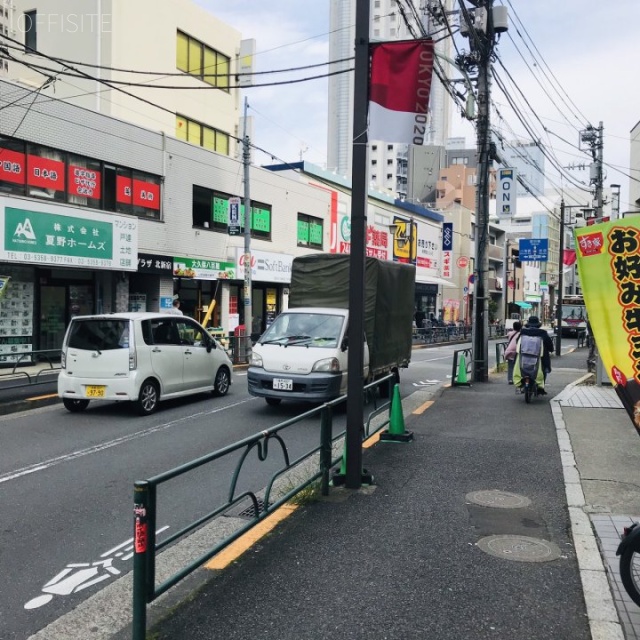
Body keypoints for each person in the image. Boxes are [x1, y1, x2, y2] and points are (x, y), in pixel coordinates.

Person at [516, 315, 555, 392]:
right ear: (538, 324)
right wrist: (551, 349)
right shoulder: (543, 333)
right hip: (540, 358)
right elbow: (549, 345)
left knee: (519, 365)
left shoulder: (523, 332)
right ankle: (540, 387)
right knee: (545, 368)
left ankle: (522, 383)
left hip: (524, 356)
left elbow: (517, 342)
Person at [503, 320, 522, 385]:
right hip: (517, 350)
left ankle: (510, 379)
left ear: (513, 327)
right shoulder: (521, 334)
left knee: (510, 366)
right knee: (518, 365)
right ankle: (517, 378)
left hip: (510, 350)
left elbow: (507, 336)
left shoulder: (510, 333)